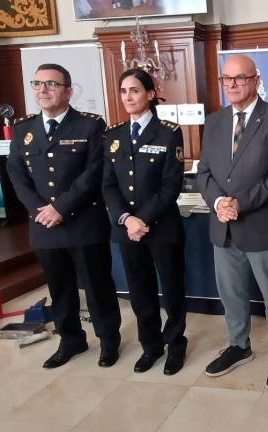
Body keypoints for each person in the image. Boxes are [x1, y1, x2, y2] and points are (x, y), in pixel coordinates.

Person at [7, 63, 122, 369]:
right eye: (37, 84)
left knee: (97, 286)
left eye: (51, 84)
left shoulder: (90, 126)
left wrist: (61, 207)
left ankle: (108, 339)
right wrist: (40, 211)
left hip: (84, 222)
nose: (43, 90)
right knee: (60, 288)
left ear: (68, 91)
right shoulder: (23, 129)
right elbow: (17, 176)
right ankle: (71, 339)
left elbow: (94, 172)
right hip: (45, 226)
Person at [197, 55, 268, 390]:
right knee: (231, 294)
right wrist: (219, 202)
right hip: (223, 224)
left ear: (256, 79)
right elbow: (204, 171)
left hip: (263, 224)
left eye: (241, 78)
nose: (233, 85)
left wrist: (241, 202)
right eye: (227, 79)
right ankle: (239, 346)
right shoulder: (214, 121)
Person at [101, 69, 187, 376]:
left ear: (150, 94)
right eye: (124, 91)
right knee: (140, 290)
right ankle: (151, 346)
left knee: (173, 289)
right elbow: (108, 185)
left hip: (162, 227)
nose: (128, 97)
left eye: (135, 90)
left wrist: (142, 219)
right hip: (128, 230)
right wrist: (127, 219)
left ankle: (176, 344)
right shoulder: (112, 135)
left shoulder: (168, 131)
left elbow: (170, 185)